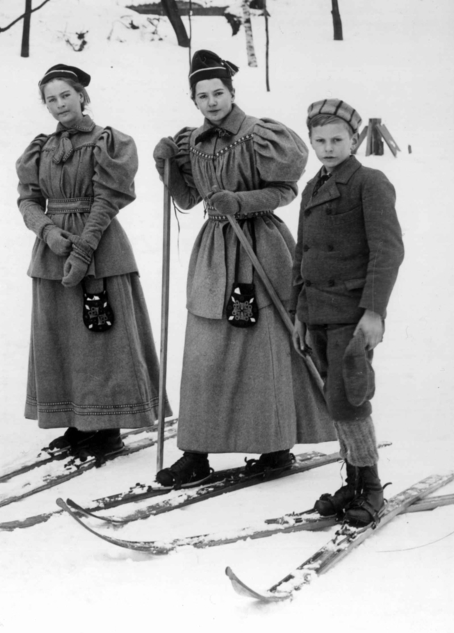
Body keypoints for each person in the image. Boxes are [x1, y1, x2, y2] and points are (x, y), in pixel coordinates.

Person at [153, 50, 334, 486]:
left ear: (232, 92)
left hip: (260, 246)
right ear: (193, 100)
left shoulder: (261, 136)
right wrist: (167, 166)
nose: (212, 102)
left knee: (263, 350)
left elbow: (287, 190)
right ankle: (195, 453)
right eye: (203, 95)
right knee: (205, 351)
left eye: (219, 93)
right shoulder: (191, 143)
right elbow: (187, 199)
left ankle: (275, 446)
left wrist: (243, 201)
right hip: (215, 251)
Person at [16, 64, 165, 460]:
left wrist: (84, 249)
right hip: (52, 252)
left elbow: (109, 198)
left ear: (82, 96)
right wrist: (47, 232)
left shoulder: (108, 142)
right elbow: (27, 199)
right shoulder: (40, 148)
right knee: (62, 339)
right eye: (51, 98)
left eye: (66, 95)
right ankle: (75, 421)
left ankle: (106, 428)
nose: (59, 104)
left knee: (101, 341)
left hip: (100, 247)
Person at [292, 99, 404, 526]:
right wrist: (298, 311)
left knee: (350, 398)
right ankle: (354, 481)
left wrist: (374, 312)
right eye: (319, 140)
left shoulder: (370, 183)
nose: (327, 148)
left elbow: (388, 251)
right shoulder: (313, 186)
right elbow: (302, 253)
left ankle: (370, 487)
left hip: (352, 313)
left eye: (337, 139)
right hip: (316, 309)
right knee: (334, 399)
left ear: (354, 139)